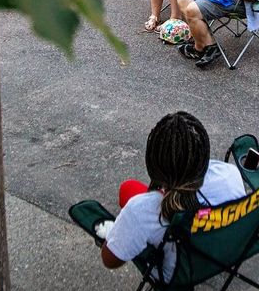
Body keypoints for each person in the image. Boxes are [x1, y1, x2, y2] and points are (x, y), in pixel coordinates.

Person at [94, 112, 246, 281]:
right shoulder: (229, 173)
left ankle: (123, 232)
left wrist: (116, 231)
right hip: (224, 254)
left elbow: (110, 260)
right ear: (202, 155)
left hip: (177, 277)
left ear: (153, 164)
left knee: (128, 189)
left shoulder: (141, 210)